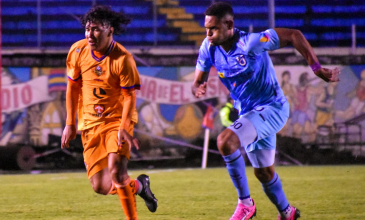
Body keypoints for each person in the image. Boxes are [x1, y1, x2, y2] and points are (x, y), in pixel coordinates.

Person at [192, 2, 340, 220]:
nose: (208, 34)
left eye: (213, 28)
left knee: (225, 141)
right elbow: (198, 79)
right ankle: (287, 212)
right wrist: (199, 86)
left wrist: (317, 68)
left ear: (229, 24)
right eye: (206, 28)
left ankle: (245, 204)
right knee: (263, 172)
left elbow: (293, 35)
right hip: (249, 114)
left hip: (272, 108)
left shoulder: (250, 43)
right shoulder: (208, 47)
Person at [61, 5, 157, 220]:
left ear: (109, 30)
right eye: (87, 29)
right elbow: (72, 87)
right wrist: (70, 123)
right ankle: (140, 187)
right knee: (101, 186)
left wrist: (124, 127)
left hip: (116, 120)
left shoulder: (123, 59)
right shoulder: (77, 51)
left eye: (95, 29)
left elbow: (130, 97)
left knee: (117, 170)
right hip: (90, 124)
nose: (89, 34)